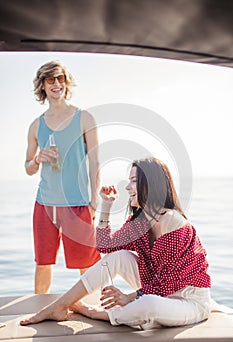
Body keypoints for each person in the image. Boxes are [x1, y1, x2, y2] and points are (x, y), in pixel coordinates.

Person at [20, 157, 212, 328]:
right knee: (119, 257)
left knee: (149, 304)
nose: (127, 187)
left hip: (188, 300)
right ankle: (58, 306)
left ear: (151, 185)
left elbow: (170, 280)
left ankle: (96, 313)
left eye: (134, 181)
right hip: (159, 290)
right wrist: (106, 205)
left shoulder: (172, 221)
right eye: (129, 181)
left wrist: (130, 297)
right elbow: (105, 246)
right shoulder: (141, 222)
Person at [24, 60, 101, 294]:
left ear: (66, 83)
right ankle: (40, 310)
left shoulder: (85, 118)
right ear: (43, 86)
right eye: (50, 79)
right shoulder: (36, 125)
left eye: (60, 79)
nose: (56, 84)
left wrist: (94, 200)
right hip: (45, 203)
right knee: (43, 261)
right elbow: (28, 168)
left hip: (77, 202)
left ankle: (94, 310)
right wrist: (37, 159)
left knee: (87, 264)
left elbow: (95, 162)